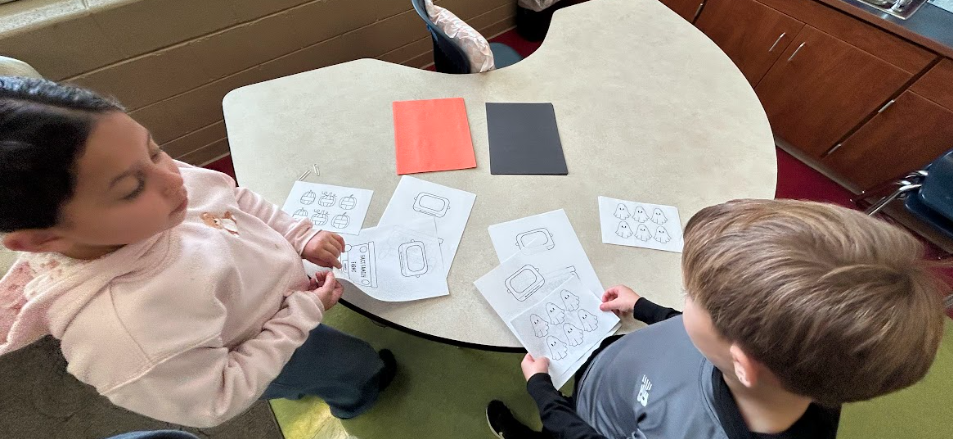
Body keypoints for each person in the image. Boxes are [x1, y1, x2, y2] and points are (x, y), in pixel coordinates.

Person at [0, 77, 396, 428]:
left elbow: (232, 197)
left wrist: (299, 236)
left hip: (278, 309)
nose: (174, 179)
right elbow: (218, 399)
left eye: (154, 150)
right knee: (351, 367)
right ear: (42, 240)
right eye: (130, 189)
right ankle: (359, 398)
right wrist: (300, 315)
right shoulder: (124, 333)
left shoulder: (156, 182)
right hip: (256, 350)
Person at [487, 199, 947, 438]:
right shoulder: (805, 368)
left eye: (690, 296)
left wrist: (543, 394)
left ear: (742, 362)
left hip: (590, 421)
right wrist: (643, 308)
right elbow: (700, 336)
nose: (683, 299)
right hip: (616, 380)